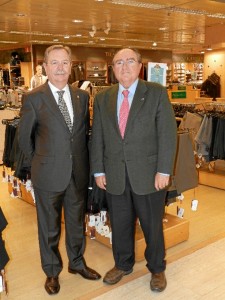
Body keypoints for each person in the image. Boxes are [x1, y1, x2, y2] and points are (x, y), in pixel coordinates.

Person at [91, 48, 177, 293]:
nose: (124, 66)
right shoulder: (102, 98)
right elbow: (97, 136)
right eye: (118, 62)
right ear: (113, 69)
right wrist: (98, 170)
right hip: (115, 175)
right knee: (119, 224)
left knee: (152, 224)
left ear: (140, 66)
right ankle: (123, 264)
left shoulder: (157, 93)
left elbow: (167, 135)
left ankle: (157, 267)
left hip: (149, 175)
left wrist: (163, 170)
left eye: (130, 61)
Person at [18, 44, 101, 295]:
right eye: (54, 63)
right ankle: (52, 272)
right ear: (44, 67)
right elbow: (24, 139)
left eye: (65, 62)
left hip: (77, 174)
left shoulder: (82, 96)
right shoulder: (34, 98)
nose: (60, 68)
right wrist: (40, 163)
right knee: (49, 227)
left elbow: (80, 136)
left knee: (76, 223)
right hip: (48, 175)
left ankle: (76, 263)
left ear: (71, 65)